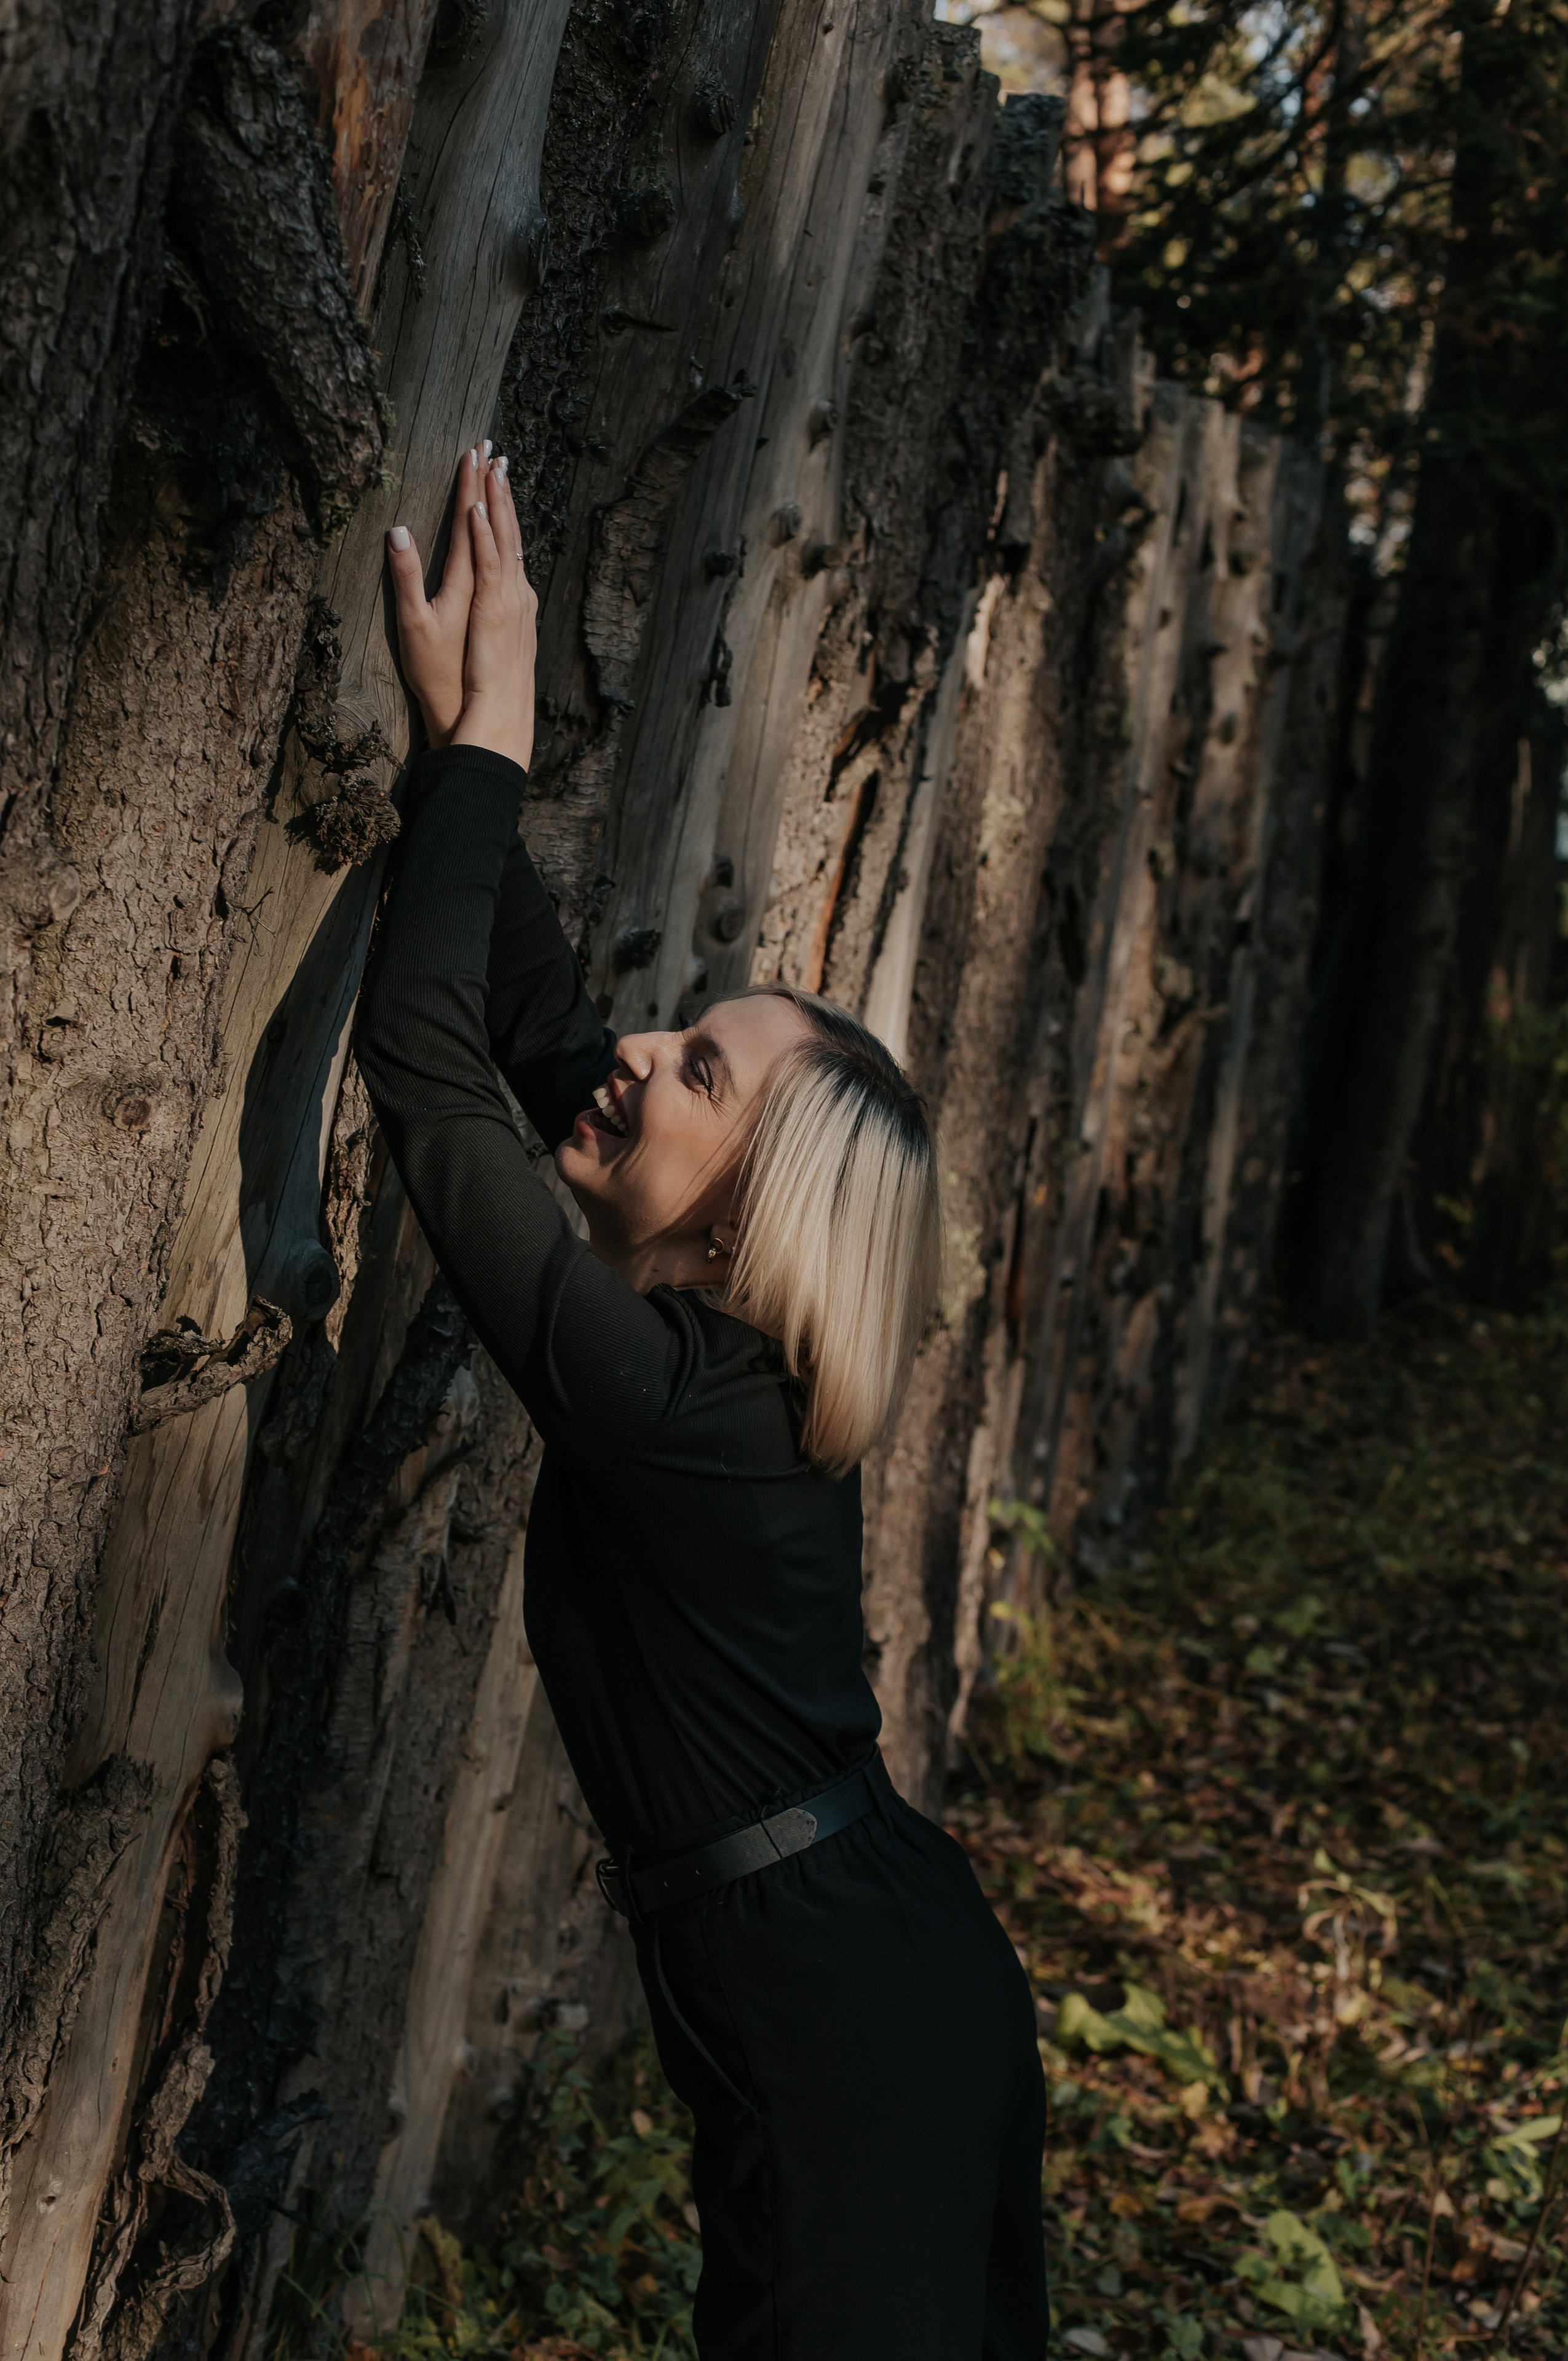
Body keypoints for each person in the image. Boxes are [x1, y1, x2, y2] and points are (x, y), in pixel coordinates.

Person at [357, 445, 1048, 2360]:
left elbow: (425, 1073)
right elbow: (534, 1023)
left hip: (850, 2024)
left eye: (704, 1076)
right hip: (863, 1975)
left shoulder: (677, 1402)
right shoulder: (708, 1365)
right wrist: (448, 749)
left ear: (750, 1210)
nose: (646, 1052)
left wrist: (495, 754)